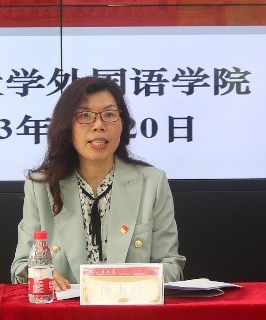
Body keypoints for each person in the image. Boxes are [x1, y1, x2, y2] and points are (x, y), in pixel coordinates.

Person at [11, 76, 184, 289]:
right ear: (67, 127)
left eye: (109, 114)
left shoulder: (152, 183)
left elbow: (171, 266)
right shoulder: (41, 186)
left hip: (131, 307)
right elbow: (20, 266)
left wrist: (125, 285)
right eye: (85, 116)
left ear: (122, 124)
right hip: (65, 308)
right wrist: (39, 274)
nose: (99, 125)